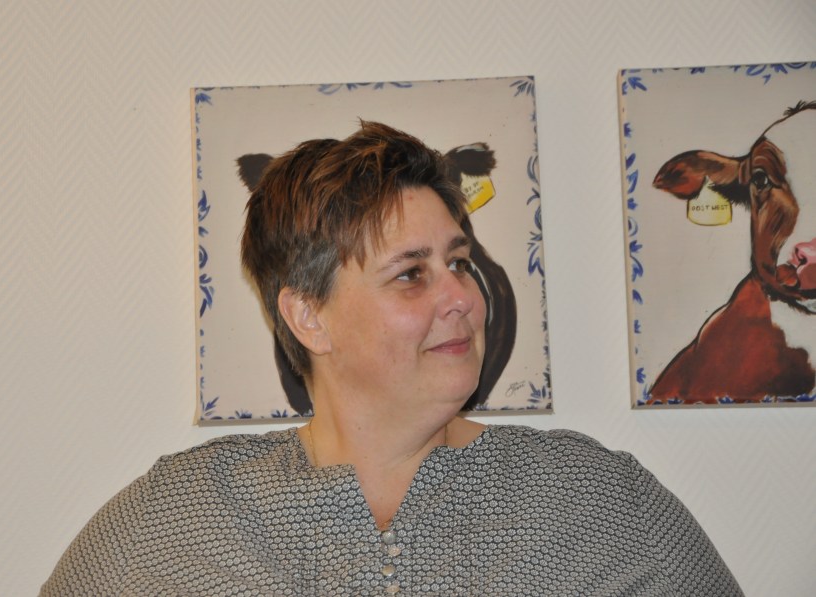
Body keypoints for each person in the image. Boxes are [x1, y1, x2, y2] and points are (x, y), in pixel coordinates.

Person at [41, 122, 743, 595]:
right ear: (309, 316)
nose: (463, 297)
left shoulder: (597, 503)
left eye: (458, 263)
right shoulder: (179, 518)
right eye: (411, 274)